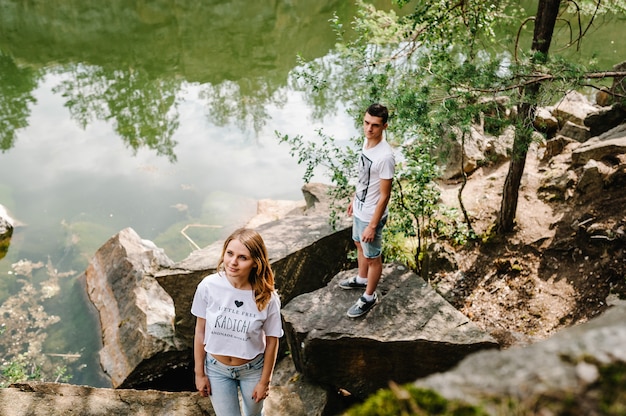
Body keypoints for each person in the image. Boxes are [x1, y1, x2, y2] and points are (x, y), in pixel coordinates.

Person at [192, 228, 283, 416]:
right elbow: (200, 331)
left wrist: (264, 382)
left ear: (255, 263)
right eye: (230, 254)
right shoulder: (208, 286)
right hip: (217, 370)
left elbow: (272, 340)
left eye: (243, 257)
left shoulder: (267, 297)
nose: (233, 262)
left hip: (253, 370)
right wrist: (199, 373)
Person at [339, 103, 395, 318]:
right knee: (357, 243)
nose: (369, 129)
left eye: (375, 125)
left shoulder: (385, 156)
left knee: (373, 257)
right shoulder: (367, 141)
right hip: (360, 209)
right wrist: (355, 198)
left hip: (372, 214)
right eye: (366, 123)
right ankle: (362, 279)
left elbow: (385, 195)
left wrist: (373, 225)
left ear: (384, 126)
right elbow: (364, 176)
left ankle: (369, 297)